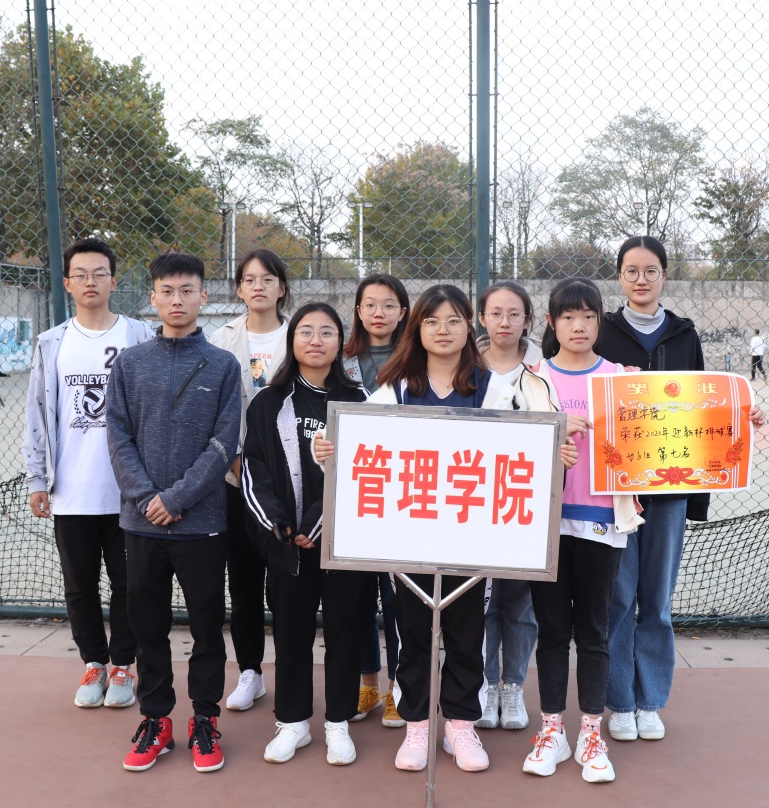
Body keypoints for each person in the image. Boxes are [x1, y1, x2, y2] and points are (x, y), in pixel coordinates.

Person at [317, 284, 574, 774]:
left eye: (454, 320)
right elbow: (354, 443)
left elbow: (531, 448)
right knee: (413, 633)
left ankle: (460, 724)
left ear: (468, 328)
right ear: (417, 328)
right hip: (409, 536)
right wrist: (325, 450)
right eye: (432, 321)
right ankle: (417, 725)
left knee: (465, 633)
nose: (443, 330)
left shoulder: (493, 389)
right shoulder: (395, 388)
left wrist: (557, 453)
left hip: (473, 539)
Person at [597, 236, 765, 744]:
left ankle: (650, 701)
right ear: (619, 277)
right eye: (631, 271)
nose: (641, 279)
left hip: (670, 488)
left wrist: (742, 415)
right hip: (617, 489)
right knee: (618, 598)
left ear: (664, 275)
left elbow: (706, 406)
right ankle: (620, 701)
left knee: (657, 600)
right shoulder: (602, 332)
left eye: (650, 270)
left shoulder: (685, 335)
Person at [106, 252, 242, 773]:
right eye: (167, 290)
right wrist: (147, 499)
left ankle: (204, 718)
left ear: (204, 296)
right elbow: (117, 436)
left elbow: (223, 442)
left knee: (207, 627)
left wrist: (178, 498)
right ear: (153, 297)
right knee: (148, 626)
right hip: (141, 523)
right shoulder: (130, 364)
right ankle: (156, 720)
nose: (177, 299)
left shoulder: (223, 365)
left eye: (187, 290)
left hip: (202, 525)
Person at [23, 236, 155, 710]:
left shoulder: (140, 335)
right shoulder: (52, 342)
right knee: (79, 585)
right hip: (71, 490)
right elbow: (37, 413)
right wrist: (37, 478)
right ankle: (93, 663)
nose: (90, 281)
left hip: (127, 492)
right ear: (67, 283)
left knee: (130, 585)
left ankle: (122, 664)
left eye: (99, 273)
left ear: (114, 281)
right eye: (80, 274)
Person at [242, 302, 372, 766]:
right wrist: (278, 524)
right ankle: (292, 723)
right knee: (291, 634)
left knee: (346, 633)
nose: (316, 340)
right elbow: (253, 470)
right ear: (292, 340)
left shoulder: (360, 401)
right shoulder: (267, 402)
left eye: (327, 332)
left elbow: (364, 473)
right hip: (288, 546)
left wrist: (319, 523)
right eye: (306, 332)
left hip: (344, 544)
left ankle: (338, 724)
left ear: (341, 343)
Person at [521, 278, 633, 784]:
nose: (579, 325)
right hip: (544, 524)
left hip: (602, 521)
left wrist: (741, 414)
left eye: (588, 315)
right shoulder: (531, 379)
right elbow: (509, 448)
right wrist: (553, 437)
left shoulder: (621, 381)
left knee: (593, 630)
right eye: (568, 316)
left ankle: (591, 733)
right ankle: (552, 730)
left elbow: (683, 422)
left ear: (600, 321)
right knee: (550, 631)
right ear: (551, 323)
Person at [210, 249, 291, 712]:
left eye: (268, 278)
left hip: (288, 481)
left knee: (285, 585)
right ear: (239, 289)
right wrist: (233, 456)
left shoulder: (301, 334)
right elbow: (212, 409)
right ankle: (250, 673)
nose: (258, 286)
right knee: (242, 583)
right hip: (236, 478)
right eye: (249, 279)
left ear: (282, 287)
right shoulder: (220, 339)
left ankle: (290, 669)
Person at [473, 280, 547, 732]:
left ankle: (512, 686)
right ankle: (484, 686)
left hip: (525, 502)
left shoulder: (544, 368)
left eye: (514, 314)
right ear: (482, 318)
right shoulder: (464, 366)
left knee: (519, 603)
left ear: (527, 320)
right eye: (496, 313)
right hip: (475, 502)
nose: (504, 321)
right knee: (479, 601)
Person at [340, 273, 410, 727]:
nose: (378, 313)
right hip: (354, 490)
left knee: (399, 597)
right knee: (358, 595)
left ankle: (399, 689)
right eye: (370, 304)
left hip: (402, 492)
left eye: (388, 305)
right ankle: (368, 683)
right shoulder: (341, 360)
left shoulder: (417, 358)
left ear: (403, 312)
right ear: (359, 312)